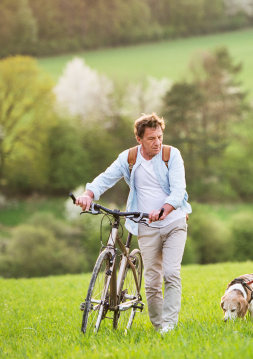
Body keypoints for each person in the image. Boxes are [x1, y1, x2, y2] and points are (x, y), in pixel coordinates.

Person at [75, 113, 191, 334]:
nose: (157, 142)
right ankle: (159, 327)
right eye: (151, 138)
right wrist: (88, 194)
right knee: (152, 279)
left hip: (173, 221)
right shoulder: (128, 158)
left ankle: (169, 325)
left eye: (160, 136)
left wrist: (164, 209)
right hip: (146, 224)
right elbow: (106, 178)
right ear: (139, 139)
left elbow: (179, 190)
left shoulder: (171, 155)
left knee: (171, 273)